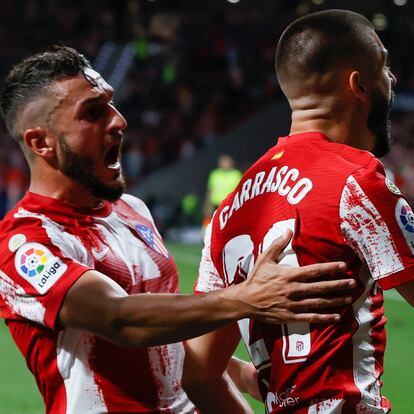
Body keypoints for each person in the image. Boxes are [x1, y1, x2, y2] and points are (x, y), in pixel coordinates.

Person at [0, 46, 355, 414]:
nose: (118, 120)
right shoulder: (24, 244)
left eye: (110, 103)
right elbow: (119, 319)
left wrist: (241, 374)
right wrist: (246, 297)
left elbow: (163, 338)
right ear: (40, 143)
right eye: (92, 113)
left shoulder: (132, 211)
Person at [183, 9, 414, 414]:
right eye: (384, 67)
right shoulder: (356, 180)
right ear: (358, 85)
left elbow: (200, 373)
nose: (392, 79)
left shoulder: (229, 211)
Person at [203, 154, 243, 227]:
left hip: (230, 204)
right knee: (215, 222)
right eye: (223, 162)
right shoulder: (215, 174)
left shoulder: (236, 174)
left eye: (226, 162)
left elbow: (240, 190)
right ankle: (208, 235)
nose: (225, 164)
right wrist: (208, 204)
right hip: (216, 204)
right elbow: (210, 190)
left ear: (231, 163)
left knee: (229, 223)